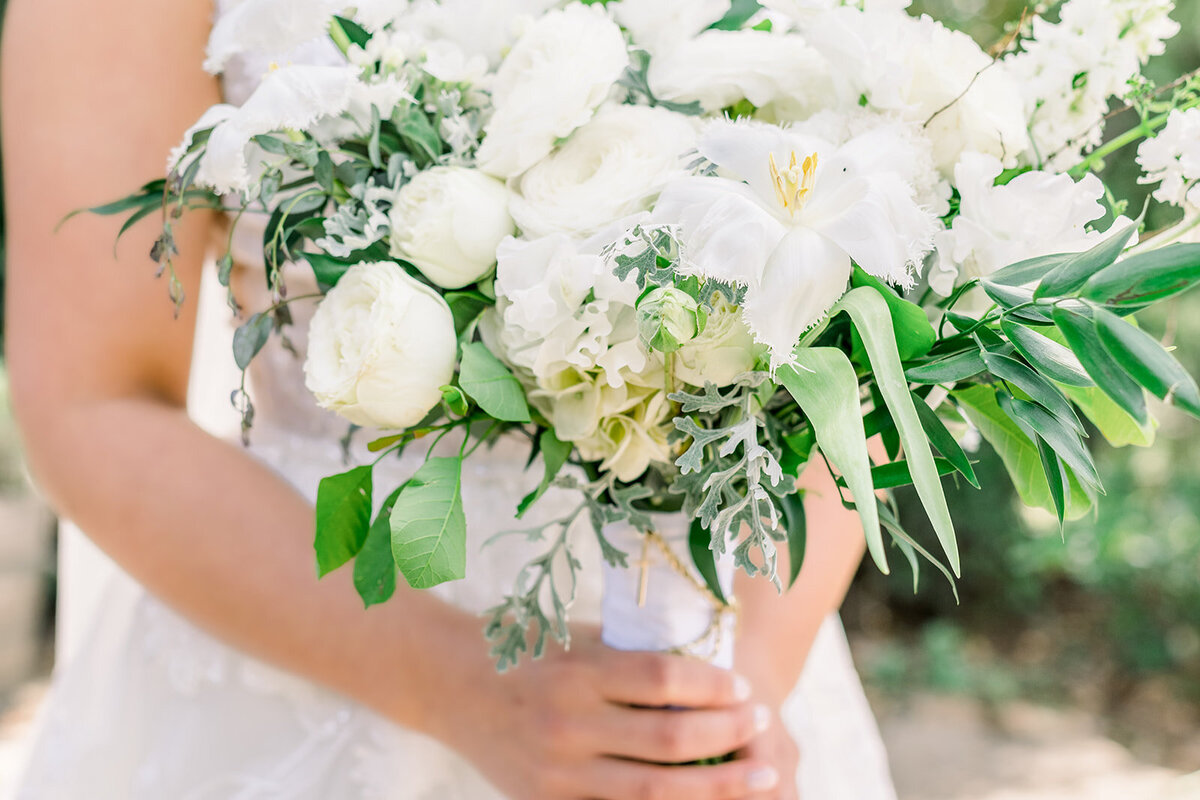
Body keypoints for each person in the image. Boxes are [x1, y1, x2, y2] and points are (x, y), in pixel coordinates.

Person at [1, 0, 897, 797]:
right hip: (316, 651)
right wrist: (457, 685)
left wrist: (727, 706)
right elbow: (94, 403)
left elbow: (867, 333)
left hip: (733, 655)